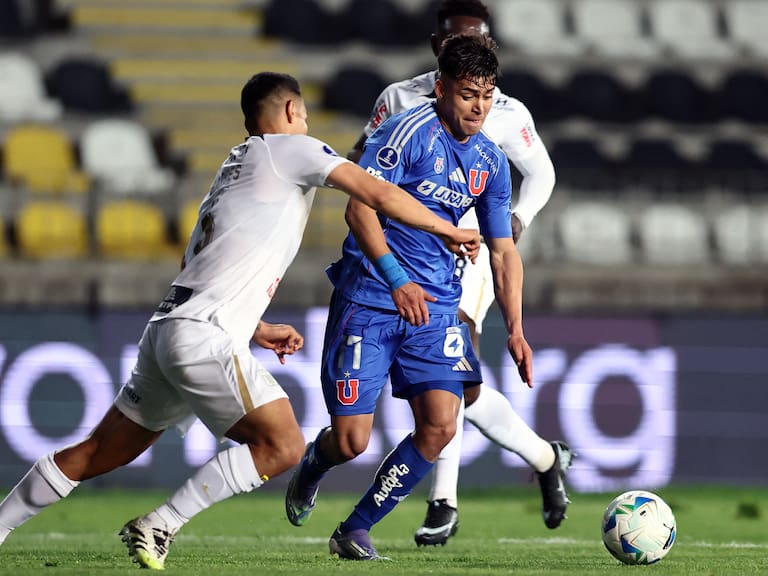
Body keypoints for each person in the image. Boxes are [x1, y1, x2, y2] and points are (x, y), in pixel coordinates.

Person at [0, 72, 480, 570]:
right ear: (291, 112)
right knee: (283, 444)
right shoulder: (288, 149)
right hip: (203, 337)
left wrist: (257, 327)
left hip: (170, 326)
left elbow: (199, 267)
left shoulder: (233, 168)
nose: (310, 124)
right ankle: (160, 523)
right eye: (307, 115)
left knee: (99, 450)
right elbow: (373, 192)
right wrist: (448, 227)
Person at [284, 33, 532, 561]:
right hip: (372, 297)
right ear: (440, 89)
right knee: (351, 441)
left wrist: (514, 327)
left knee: (440, 426)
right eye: (468, 94)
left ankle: (355, 528)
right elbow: (359, 210)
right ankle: (315, 463)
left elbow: (504, 251)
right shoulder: (406, 133)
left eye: (487, 95)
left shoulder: (489, 159)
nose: (478, 106)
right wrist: (397, 278)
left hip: (436, 307)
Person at [349, 0, 572, 546]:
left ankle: (442, 502)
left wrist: (518, 217)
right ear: (437, 46)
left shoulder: (507, 113)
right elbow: (361, 166)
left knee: (453, 359)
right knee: (464, 388)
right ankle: (545, 457)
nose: (469, 50)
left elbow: (540, 173)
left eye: (479, 41)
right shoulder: (399, 100)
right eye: (455, 42)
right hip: (402, 251)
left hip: (469, 253)